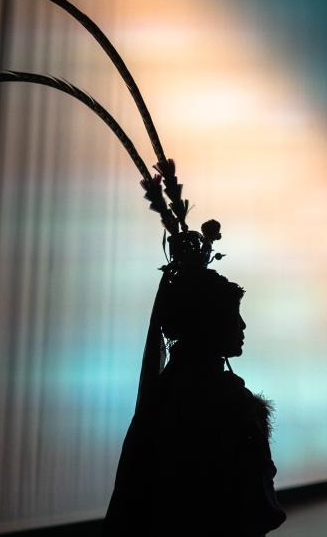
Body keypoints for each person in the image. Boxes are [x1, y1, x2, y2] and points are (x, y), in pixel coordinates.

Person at [104, 223, 286, 536]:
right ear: (207, 322)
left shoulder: (167, 391)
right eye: (233, 314)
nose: (242, 325)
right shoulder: (219, 400)